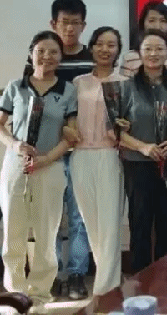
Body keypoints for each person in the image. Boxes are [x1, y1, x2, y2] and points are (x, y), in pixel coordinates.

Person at [0, 31, 77, 308]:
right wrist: (15, 145)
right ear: (31, 53)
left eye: (53, 52)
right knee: (14, 232)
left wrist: (47, 158)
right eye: (41, 51)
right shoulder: (15, 87)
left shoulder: (68, 90)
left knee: (46, 233)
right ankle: (15, 295)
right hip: (15, 166)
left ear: (61, 57)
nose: (46, 56)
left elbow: (71, 135)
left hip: (49, 168)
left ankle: (40, 295)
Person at [64, 27, 127, 296]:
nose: (105, 49)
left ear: (118, 50)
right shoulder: (78, 83)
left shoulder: (125, 82)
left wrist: (125, 127)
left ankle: (105, 289)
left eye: (111, 45)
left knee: (110, 223)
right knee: (91, 224)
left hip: (111, 155)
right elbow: (67, 117)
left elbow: (131, 120)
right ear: (91, 47)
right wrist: (67, 130)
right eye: (100, 44)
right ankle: (109, 281)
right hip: (80, 156)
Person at [118, 28, 167, 273]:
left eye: (159, 48)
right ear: (139, 53)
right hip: (138, 164)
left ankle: (166, 279)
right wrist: (143, 147)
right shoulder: (127, 88)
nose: (154, 53)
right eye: (148, 48)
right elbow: (115, 131)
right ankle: (140, 280)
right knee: (140, 223)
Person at [47, 0, 92, 300]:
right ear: (54, 24)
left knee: (79, 217)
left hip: (82, 151)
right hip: (49, 153)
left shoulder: (91, 60)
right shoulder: (43, 55)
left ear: (83, 25)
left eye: (76, 23)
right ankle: (51, 274)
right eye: (65, 22)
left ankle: (76, 274)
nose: (70, 28)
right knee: (50, 217)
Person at [120, 0, 167, 81]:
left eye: (163, 21)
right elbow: (125, 88)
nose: (157, 26)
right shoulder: (129, 58)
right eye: (152, 20)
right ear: (143, 23)